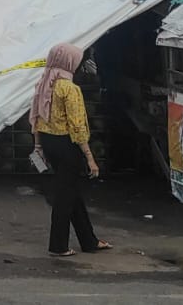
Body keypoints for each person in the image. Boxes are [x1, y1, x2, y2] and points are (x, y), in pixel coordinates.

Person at [30, 42, 111, 257]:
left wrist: (38, 145)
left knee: (72, 192)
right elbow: (77, 127)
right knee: (65, 196)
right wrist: (90, 158)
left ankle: (89, 240)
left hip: (49, 143)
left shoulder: (44, 84)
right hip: (66, 145)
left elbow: (36, 118)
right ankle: (58, 245)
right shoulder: (69, 88)